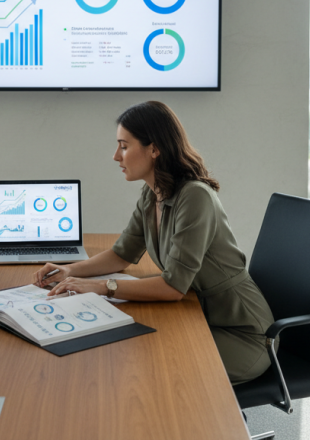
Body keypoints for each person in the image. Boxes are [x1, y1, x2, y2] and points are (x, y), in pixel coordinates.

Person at [33, 101, 275, 385]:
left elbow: (172, 287)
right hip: (196, 315)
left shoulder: (195, 197)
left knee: (153, 365)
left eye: (124, 146)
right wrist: (71, 271)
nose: (115, 156)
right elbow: (121, 255)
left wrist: (102, 287)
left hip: (241, 333)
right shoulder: (152, 194)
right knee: (132, 353)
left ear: (154, 149)